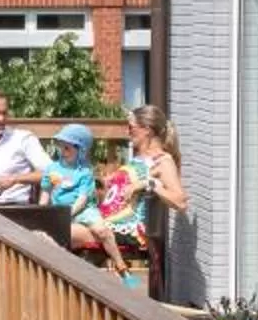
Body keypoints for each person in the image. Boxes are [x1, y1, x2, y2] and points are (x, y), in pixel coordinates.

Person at [73, 106, 188, 269]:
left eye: (131, 127)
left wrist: (150, 183)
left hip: (129, 231)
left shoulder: (162, 161)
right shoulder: (137, 159)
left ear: (147, 130)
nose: (128, 132)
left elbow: (181, 202)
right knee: (59, 228)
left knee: (64, 232)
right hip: (108, 222)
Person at [39, 122, 97, 214]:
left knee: (100, 228)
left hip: (83, 212)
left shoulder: (84, 172)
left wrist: (68, 215)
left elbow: (82, 199)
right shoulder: (52, 169)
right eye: (60, 146)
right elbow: (45, 192)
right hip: (59, 212)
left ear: (81, 150)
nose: (62, 151)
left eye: (67, 148)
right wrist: (40, 212)